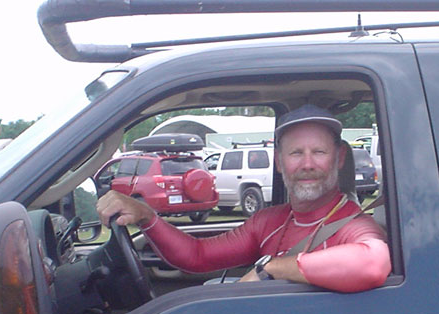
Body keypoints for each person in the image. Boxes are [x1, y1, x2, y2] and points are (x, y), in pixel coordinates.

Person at [97, 104, 391, 293]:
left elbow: (372, 264)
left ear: (339, 158)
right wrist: (147, 215)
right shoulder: (270, 221)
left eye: (320, 152)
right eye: (295, 153)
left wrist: (271, 269)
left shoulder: (353, 225)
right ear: (278, 162)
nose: (307, 164)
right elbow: (197, 257)